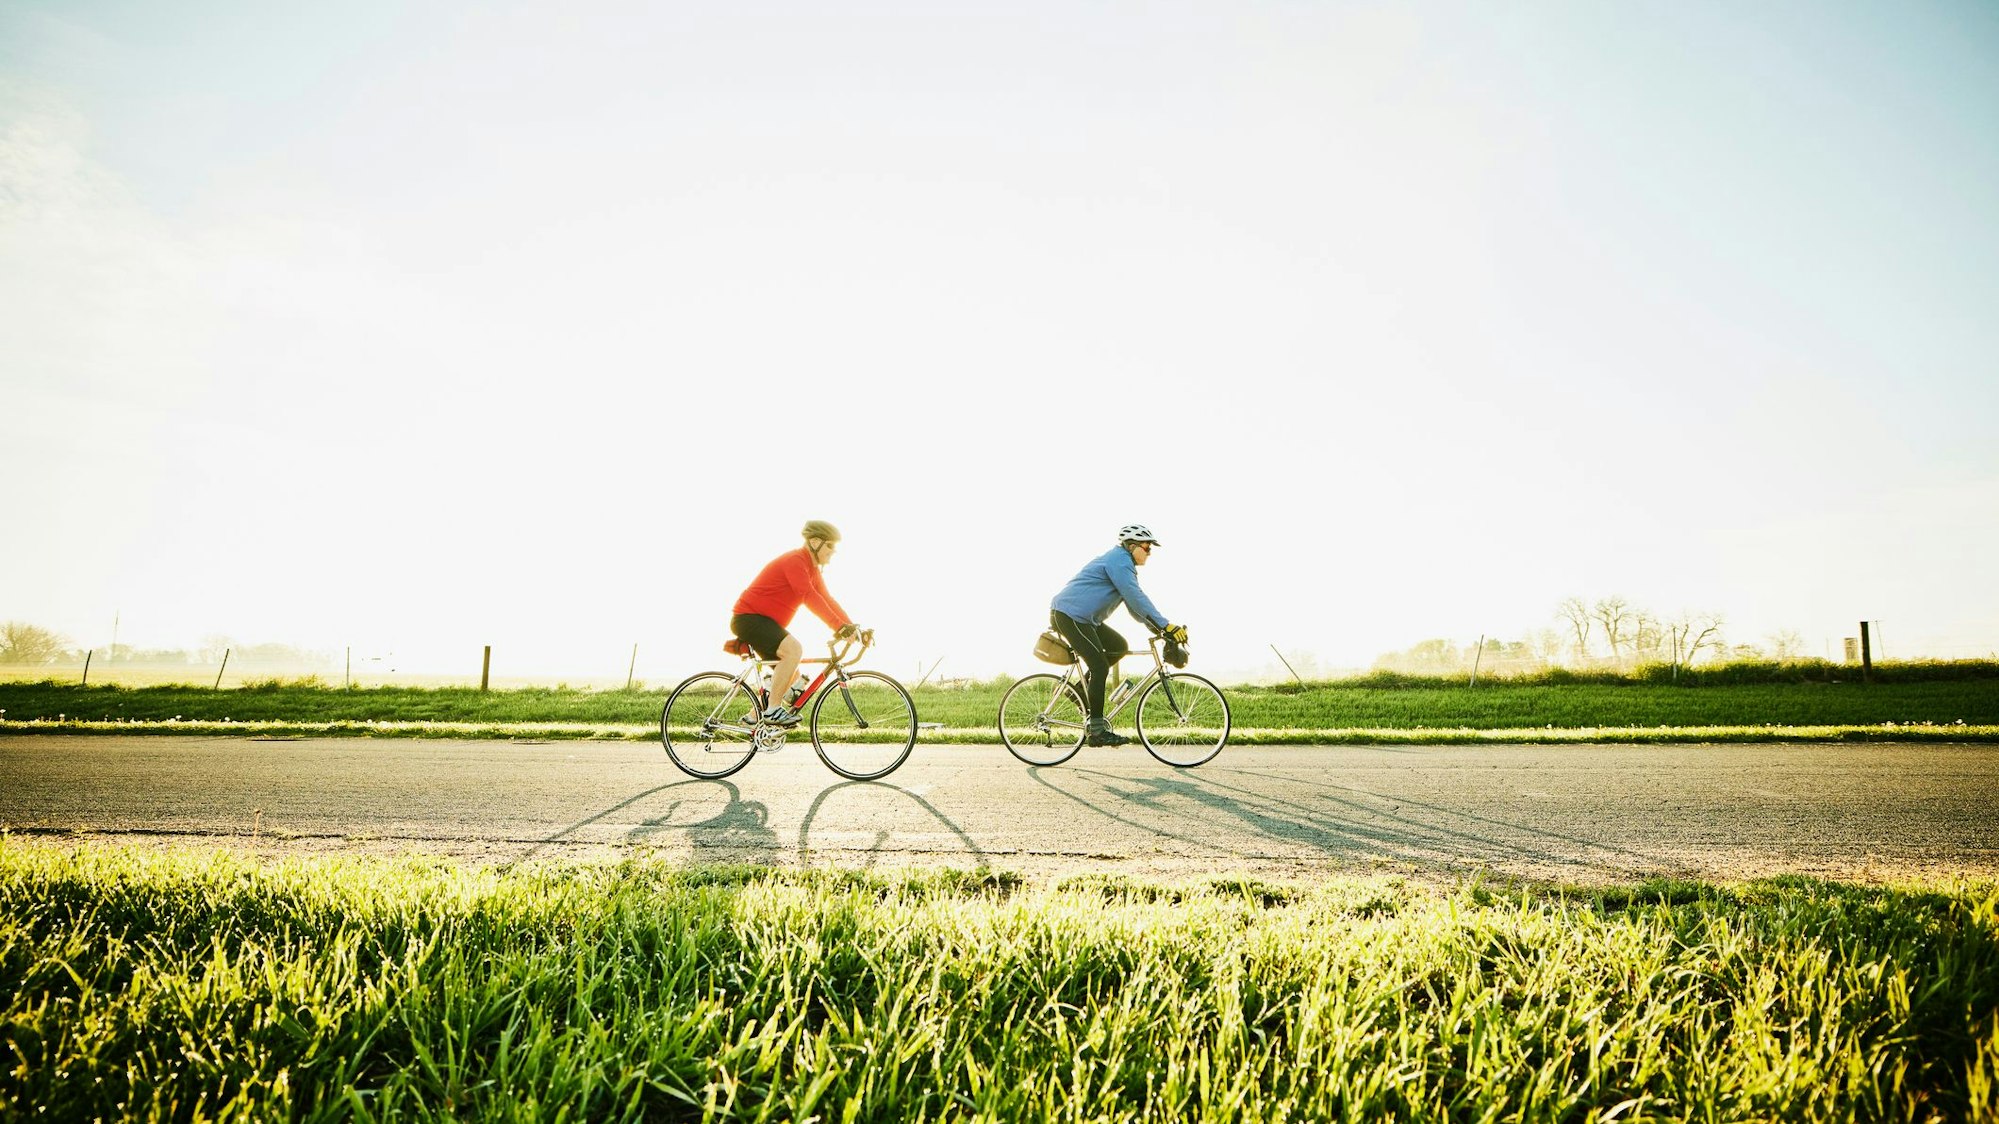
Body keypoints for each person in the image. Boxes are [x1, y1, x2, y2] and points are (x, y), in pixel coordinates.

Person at [1049, 524, 1190, 746]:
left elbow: (1135, 609)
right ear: (1132, 545)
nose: (1149, 552)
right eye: (1147, 547)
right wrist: (1166, 625)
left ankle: (1078, 690)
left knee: (1119, 646)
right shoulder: (1119, 560)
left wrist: (1160, 630)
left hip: (1084, 619)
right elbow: (1135, 596)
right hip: (1070, 616)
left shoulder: (1123, 563)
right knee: (1100, 667)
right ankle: (1096, 731)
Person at [731, 519, 865, 727]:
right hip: (749, 618)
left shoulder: (812, 570)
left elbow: (827, 600)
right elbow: (808, 596)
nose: (833, 551)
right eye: (830, 545)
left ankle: (752, 719)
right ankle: (773, 711)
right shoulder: (795, 561)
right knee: (794, 650)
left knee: (789, 679)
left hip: (764, 622)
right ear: (814, 542)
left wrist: (852, 626)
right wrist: (838, 627)